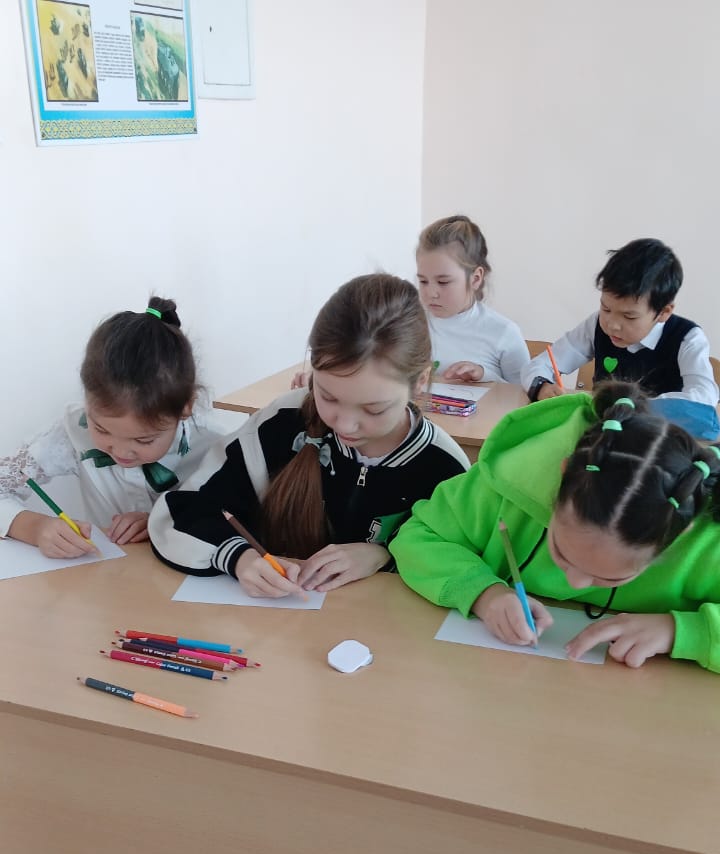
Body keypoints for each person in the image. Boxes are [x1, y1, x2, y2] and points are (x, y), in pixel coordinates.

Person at [149, 273, 469, 596]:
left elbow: (466, 565)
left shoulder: (445, 467)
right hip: (275, 620)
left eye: (373, 409)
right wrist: (238, 557)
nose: (345, 425)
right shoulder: (283, 422)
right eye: (327, 396)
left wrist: (385, 555)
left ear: (421, 381)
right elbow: (181, 510)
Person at [393, 382, 720, 672]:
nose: (575, 582)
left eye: (609, 578)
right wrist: (484, 593)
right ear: (562, 476)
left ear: (680, 534)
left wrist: (684, 632)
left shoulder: (707, 538)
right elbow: (420, 535)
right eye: (562, 553)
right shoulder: (510, 483)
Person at [0, 298, 218, 557]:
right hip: (102, 575)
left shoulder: (216, 447)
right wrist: (35, 527)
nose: (121, 452)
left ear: (186, 407)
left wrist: (164, 522)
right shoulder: (72, 432)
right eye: (102, 430)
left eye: (144, 440)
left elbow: (238, 521)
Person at [523, 239, 718, 408]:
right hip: (603, 432)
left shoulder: (686, 338)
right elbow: (540, 364)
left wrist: (636, 406)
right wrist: (541, 386)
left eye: (629, 317)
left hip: (659, 435)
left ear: (664, 312)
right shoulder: (596, 325)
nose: (612, 325)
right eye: (606, 308)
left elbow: (704, 397)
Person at [415, 214, 528, 385]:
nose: (431, 293)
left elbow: (526, 394)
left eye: (443, 282)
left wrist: (484, 375)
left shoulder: (504, 332)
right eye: (423, 281)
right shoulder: (411, 325)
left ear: (475, 279)